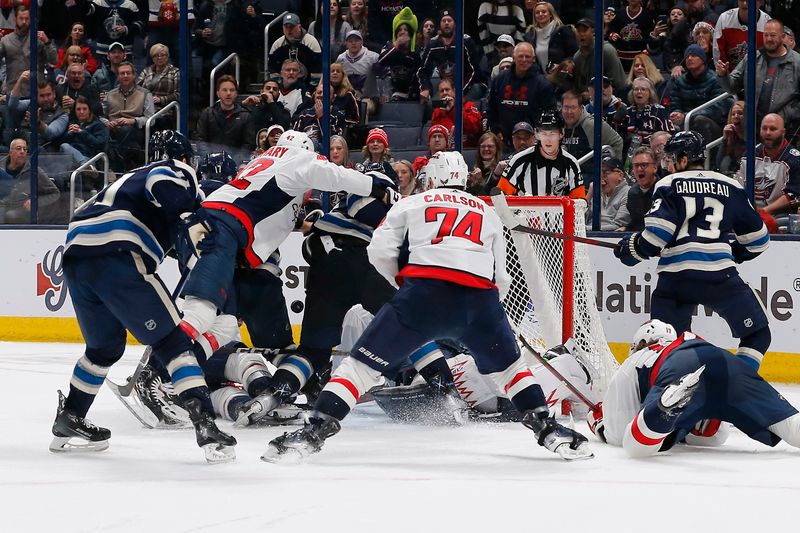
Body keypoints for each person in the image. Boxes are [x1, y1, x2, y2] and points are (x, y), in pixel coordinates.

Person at [262, 151, 593, 462]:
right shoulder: (486, 210)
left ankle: (314, 431)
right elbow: (501, 276)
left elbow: (378, 249)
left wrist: (402, 286)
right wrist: (489, 317)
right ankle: (548, 429)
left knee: (360, 367)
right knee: (511, 371)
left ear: (431, 178)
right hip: (479, 300)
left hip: (424, 295)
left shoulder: (413, 201)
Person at [50, 130, 237, 462]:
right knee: (173, 342)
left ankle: (72, 417)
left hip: (77, 256)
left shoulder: (128, 181)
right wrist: (189, 219)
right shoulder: (174, 170)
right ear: (185, 159)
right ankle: (205, 423)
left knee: (104, 348)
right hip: (118, 251)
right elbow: (170, 187)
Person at [176, 130, 398, 407]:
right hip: (224, 237)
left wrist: (308, 223)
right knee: (212, 320)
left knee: (272, 342)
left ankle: (283, 389)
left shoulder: (265, 167)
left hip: (241, 256)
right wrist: (379, 189)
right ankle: (166, 372)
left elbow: (269, 209)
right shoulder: (298, 158)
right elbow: (337, 175)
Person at [613, 131, 771, 369]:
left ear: (684, 159)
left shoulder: (668, 184)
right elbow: (759, 240)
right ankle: (738, 384)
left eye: (672, 158)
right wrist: (732, 252)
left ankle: (669, 394)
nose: (668, 163)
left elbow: (656, 237)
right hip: (720, 277)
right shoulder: (731, 186)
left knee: (666, 344)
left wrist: (631, 249)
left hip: (675, 281)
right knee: (758, 335)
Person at [592, 320, 800, 458]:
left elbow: (618, 433)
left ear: (642, 343)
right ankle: (693, 416)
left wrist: (599, 422)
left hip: (679, 366)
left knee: (633, 446)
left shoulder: (638, 358)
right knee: (790, 426)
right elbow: (718, 438)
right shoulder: (683, 342)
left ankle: (664, 410)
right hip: (723, 359)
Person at [718, 18, 800, 137]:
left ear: (783, 37)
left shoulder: (797, 62)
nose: (769, 39)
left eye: (773, 35)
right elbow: (731, 87)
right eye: (766, 35)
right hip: (752, 128)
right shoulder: (752, 57)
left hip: (785, 130)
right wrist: (723, 75)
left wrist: (788, 115)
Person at [496, 109, 584, 198]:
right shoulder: (518, 161)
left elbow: (579, 204)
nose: (548, 139)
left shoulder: (571, 163)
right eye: (544, 134)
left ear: (561, 134)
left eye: (552, 134)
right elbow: (500, 198)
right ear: (537, 134)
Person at [487, 41, 555, 149]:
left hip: (532, 143)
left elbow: (549, 113)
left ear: (533, 58)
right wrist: (496, 130)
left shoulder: (543, 84)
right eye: (520, 56)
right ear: (514, 57)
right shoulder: (500, 80)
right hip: (504, 142)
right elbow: (491, 108)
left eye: (527, 57)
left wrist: (538, 137)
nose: (524, 60)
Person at [735, 113, 800, 216]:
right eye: (764, 128)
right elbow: (738, 186)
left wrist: (763, 213)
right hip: (750, 213)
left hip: (780, 216)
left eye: (773, 129)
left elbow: (793, 195)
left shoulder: (795, 159)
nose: (767, 133)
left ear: (783, 132)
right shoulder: (749, 154)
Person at [417, 9, 485, 103]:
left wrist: (459, 91)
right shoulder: (433, 44)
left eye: (449, 20)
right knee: (430, 105)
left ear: (455, 24)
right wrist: (425, 88)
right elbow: (422, 70)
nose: (446, 23)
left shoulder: (466, 41)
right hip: (447, 88)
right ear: (439, 25)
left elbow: (473, 71)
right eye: (443, 21)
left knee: (459, 103)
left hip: (469, 86)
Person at [669, 44, 732, 144]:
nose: (689, 58)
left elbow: (717, 109)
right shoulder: (680, 81)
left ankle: (705, 157)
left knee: (699, 121)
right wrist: (676, 113)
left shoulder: (715, 79)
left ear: (702, 59)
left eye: (694, 55)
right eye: (687, 56)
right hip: (685, 121)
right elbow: (675, 102)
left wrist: (687, 117)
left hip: (713, 124)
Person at [103, 61, 154, 170]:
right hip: (112, 128)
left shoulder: (145, 93)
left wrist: (133, 120)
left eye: (128, 73)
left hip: (134, 129)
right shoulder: (110, 94)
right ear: (118, 76)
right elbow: (101, 115)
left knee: (126, 131)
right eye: (122, 73)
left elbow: (151, 119)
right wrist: (106, 122)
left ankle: (118, 168)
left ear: (134, 75)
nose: (125, 76)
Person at [0, 6, 57, 99]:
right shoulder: (5, 40)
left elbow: (54, 61)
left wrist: (47, 42)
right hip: (13, 94)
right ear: (15, 19)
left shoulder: (38, 39)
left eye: (27, 19)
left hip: (36, 94)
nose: (24, 22)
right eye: (21, 18)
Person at [0, 138, 60, 224]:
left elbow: (55, 193)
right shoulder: (1, 169)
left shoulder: (35, 171)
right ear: (10, 152)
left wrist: (35, 202)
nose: (22, 151)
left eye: (25, 149)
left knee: (11, 215)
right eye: (18, 148)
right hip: (2, 206)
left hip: (22, 210)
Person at [572, 17, 626, 99]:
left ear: (593, 32)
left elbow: (619, 83)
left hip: (612, 100)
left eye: (585, 30)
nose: (581, 34)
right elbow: (578, 87)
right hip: (587, 104)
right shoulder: (577, 57)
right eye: (579, 31)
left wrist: (593, 94)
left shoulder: (606, 51)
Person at [196, 75, 253, 151]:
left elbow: (248, 144)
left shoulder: (245, 116)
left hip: (237, 161)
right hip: (211, 160)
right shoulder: (207, 114)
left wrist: (237, 161)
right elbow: (200, 141)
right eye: (224, 90)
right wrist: (210, 158)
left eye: (232, 90)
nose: (228, 93)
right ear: (218, 93)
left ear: (236, 93)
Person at [377, 7, 421, 102]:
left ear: (410, 34)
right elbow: (380, 62)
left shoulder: (416, 50)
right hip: (393, 92)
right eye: (400, 30)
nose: (402, 32)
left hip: (412, 93)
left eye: (405, 30)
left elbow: (419, 70)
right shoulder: (389, 46)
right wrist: (395, 46)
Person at [522, 1, 577, 74]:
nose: (540, 14)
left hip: (560, 77)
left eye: (544, 12)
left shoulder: (563, 31)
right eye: (537, 13)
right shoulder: (530, 36)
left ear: (550, 14)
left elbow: (575, 54)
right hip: (540, 79)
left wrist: (562, 66)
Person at [713, 0, 770, 68]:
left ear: (761, 2)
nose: (744, 3)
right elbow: (718, 52)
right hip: (729, 74)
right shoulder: (725, 19)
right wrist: (725, 76)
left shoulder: (769, 24)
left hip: (758, 75)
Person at [430, 77, 483, 148]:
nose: (445, 93)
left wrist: (453, 110)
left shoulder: (468, 105)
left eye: (447, 90)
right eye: (442, 91)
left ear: (454, 91)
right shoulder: (437, 111)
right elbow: (435, 134)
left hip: (466, 149)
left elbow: (475, 128)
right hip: (446, 152)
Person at [615, 146, 659, 231]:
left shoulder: (664, 190)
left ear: (655, 168)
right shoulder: (633, 193)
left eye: (644, 165)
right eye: (636, 165)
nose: (639, 169)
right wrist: (626, 228)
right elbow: (637, 222)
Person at [268, 12, 322, 79]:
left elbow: (317, 71)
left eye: (292, 27)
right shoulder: (277, 44)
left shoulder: (311, 42)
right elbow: (273, 71)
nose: (289, 30)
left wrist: (311, 88)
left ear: (299, 27)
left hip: (307, 85)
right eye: (286, 27)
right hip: (284, 86)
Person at [59, 96, 109, 167]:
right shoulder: (71, 123)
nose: (81, 112)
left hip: (90, 158)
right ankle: (84, 165)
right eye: (78, 109)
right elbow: (60, 143)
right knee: (64, 146)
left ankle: (85, 165)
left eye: (84, 109)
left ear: (89, 110)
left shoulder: (98, 125)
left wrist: (81, 132)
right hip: (71, 159)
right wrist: (69, 133)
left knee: (65, 147)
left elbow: (100, 144)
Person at [607, 0, 656, 70]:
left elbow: (650, 38)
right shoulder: (619, 13)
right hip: (620, 57)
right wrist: (612, 34)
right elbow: (611, 31)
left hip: (641, 57)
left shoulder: (647, 15)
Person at [587, 155, 631, 231]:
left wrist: (585, 229)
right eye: (599, 173)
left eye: (605, 172)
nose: (601, 177)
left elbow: (618, 226)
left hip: (610, 238)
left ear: (620, 175)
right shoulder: (596, 192)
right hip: (586, 236)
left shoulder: (628, 193)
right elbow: (579, 219)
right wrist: (589, 195)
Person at [136, 44, 180, 117]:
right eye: (156, 55)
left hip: (165, 110)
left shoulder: (175, 72)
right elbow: (137, 89)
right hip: (145, 108)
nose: (159, 58)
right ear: (152, 58)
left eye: (162, 55)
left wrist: (161, 99)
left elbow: (179, 94)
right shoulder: (146, 71)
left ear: (167, 56)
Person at [717, 100, 746, 175]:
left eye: (740, 113)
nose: (736, 116)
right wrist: (725, 138)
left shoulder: (754, 135)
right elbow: (719, 164)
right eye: (733, 114)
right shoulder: (730, 135)